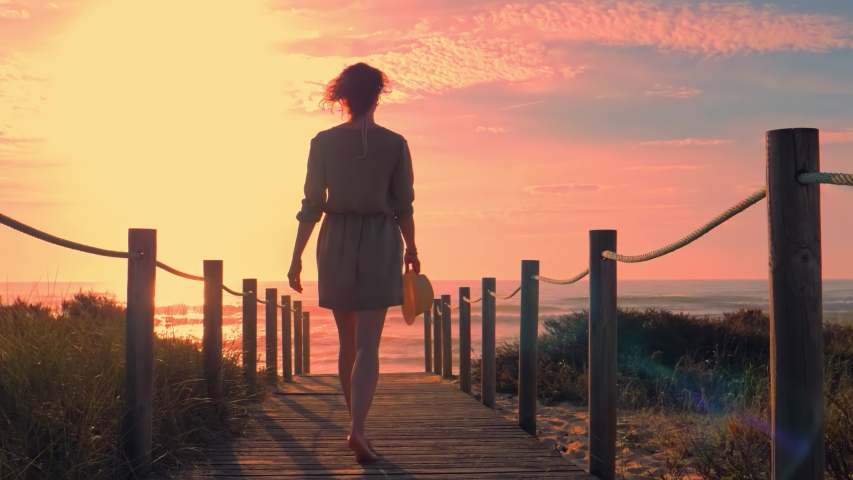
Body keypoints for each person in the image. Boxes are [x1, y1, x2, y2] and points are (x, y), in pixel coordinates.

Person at [287, 63, 420, 463]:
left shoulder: (323, 142)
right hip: (380, 239)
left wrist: (295, 257)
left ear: (341, 96)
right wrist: (412, 249)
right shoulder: (395, 143)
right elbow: (403, 206)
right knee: (368, 345)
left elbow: (312, 205)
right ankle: (358, 429)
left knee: (348, 344)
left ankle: (355, 425)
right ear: (378, 95)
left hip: (335, 239)